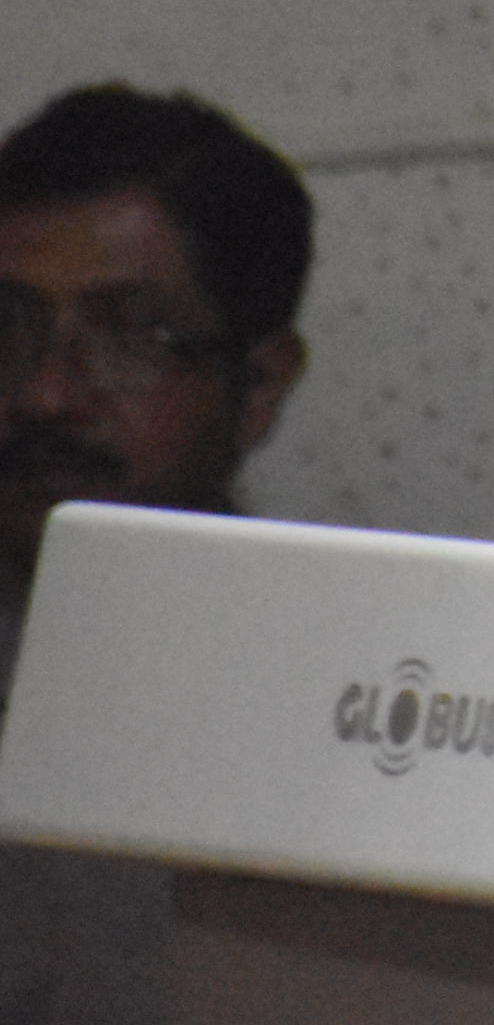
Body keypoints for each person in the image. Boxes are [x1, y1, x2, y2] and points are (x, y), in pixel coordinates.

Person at [0, 84, 316, 1025]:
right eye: (8, 329)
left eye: (129, 336)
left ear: (258, 386)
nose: (47, 393)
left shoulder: (357, 708)